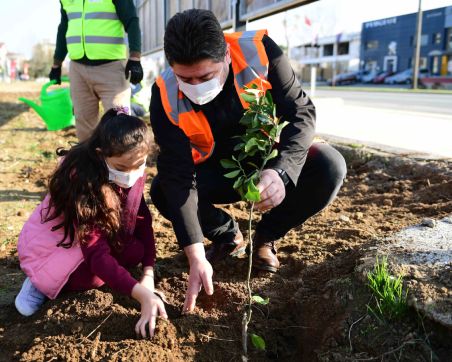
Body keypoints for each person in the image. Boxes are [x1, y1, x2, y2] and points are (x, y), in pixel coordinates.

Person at [149, 9, 347, 314]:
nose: (196, 86)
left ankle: (266, 237)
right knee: (163, 188)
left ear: (227, 55)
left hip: (266, 163)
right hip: (215, 173)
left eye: (205, 76)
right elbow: (177, 174)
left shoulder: (260, 53)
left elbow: (301, 112)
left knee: (329, 166)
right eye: (185, 78)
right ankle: (228, 236)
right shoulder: (163, 94)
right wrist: (195, 254)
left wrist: (282, 171)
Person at [15, 109, 166, 338]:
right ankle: (38, 282)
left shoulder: (131, 166)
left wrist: (148, 273)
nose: (132, 174)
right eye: (123, 168)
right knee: (93, 277)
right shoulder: (83, 182)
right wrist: (142, 295)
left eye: (140, 164)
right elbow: (95, 252)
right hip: (54, 245)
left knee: (136, 251)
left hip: (92, 236)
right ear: (101, 154)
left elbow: (143, 219)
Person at [49, 0, 144, 141]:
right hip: (78, 70)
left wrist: (135, 58)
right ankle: (90, 162)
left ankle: (127, 163)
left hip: (111, 69)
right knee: (84, 126)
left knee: (121, 126)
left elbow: (131, 20)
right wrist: (56, 64)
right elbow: (64, 27)